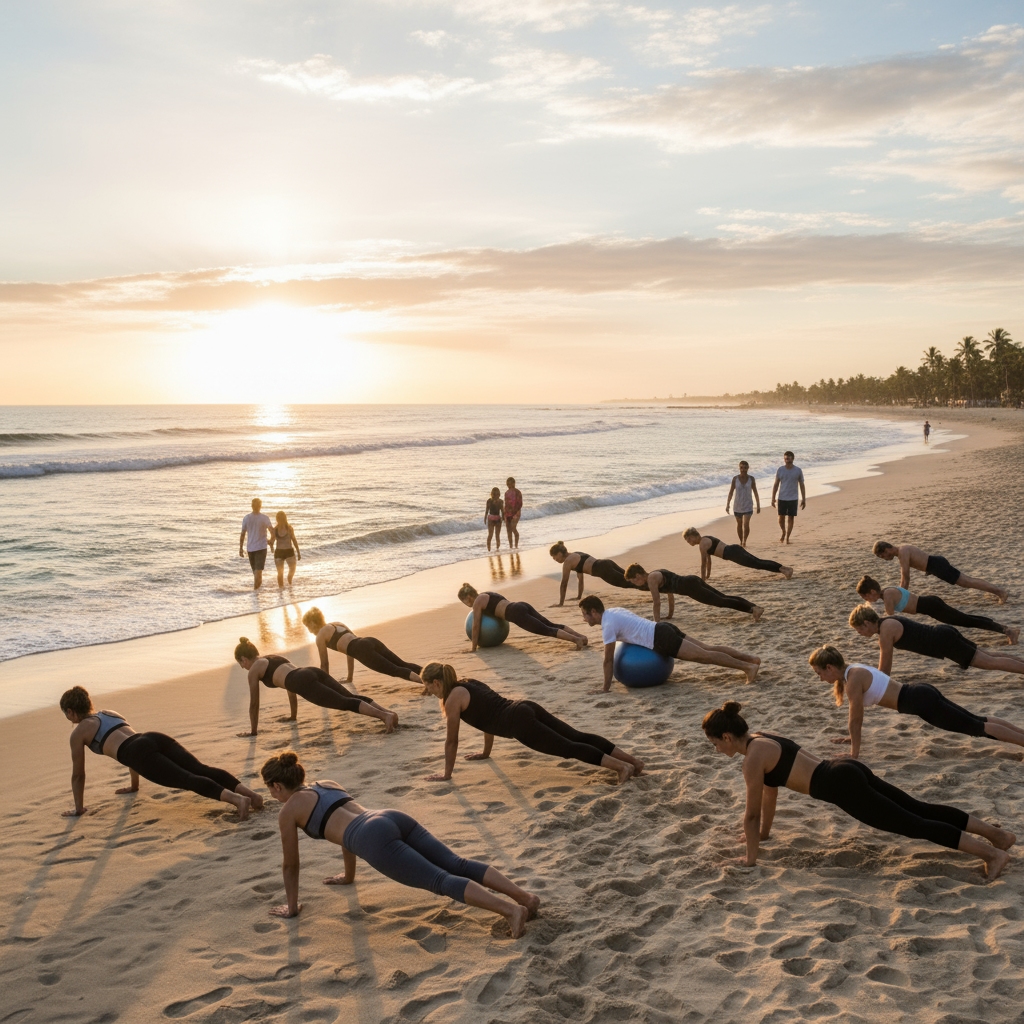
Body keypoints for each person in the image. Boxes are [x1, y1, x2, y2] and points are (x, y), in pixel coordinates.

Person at [701, 701, 1013, 878]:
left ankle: (992, 853)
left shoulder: (751, 760)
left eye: (715, 744)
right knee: (919, 807)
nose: (716, 750)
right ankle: (998, 835)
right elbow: (771, 793)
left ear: (727, 737)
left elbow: (751, 815)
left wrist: (750, 860)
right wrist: (765, 836)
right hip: (844, 768)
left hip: (839, 786)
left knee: (913, 823)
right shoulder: (761, 738)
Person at [261, 751, 539, 936]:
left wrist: (293, 907)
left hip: (372, 838)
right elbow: (340, 828)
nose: (272, 795)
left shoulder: (289, 812)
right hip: (389, 816)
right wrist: (348, 876)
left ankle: (511, 911)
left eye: (269, 790)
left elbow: (291, 864)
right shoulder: (326, 783)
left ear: (276, 786)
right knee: (457, 863)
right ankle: (524, 897)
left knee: (440, 880)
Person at [420, 662, 645, 784]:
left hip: (519, 724)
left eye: (428, 687)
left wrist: (447, 774)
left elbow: (452, 741)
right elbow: (487, 718)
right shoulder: (468, 682)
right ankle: (633, 761)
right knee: (577, 736)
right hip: (525, 706)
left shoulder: (452, 699)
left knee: (568, 748)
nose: (428, 692)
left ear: (437, 682)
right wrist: (486, 752)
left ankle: (622, 767)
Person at [59, 686, 262, 819]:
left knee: (187, 779)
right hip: (151, 737)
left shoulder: (79, 733)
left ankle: (238, 801)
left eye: (66, 714)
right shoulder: (109, 713)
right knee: (201, 768)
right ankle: (251, 795)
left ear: (70, 711)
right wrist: (134, 786)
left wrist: (79, 808)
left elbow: (78, 775)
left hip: (137, 752)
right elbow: (128, 743)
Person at [808, 645, 1024, 756]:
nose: (819, 678)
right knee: (977, 720)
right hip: (920, 694)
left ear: (830, 667)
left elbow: (855, 720)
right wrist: (852, 739)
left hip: (920, 701)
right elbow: (855, 722)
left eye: (819, 673)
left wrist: (854, 753)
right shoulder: (853, 671)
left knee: (976, 726)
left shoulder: (853, 680)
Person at [578, 596, 760, 689]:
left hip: (661, 638)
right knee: (707, 648)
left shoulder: (608, 625)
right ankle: (751, 659)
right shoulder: (614, 611)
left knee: (705, 656)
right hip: (663, 627)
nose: (584, 619)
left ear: (593, 612)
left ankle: (747, 667)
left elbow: (608, 660)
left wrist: (605, 688)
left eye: (584, 615)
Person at [233, 637, 398, 736]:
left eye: (241, 663)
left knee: (343, 702)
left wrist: (253, 731)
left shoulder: (254, 669)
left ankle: (384, 717)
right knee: (350, 697)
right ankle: (388, 713)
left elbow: (254, 703)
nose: (242, 667)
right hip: (309, 671)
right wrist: (293, 716)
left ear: (243, 659)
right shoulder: (272, 658)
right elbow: (289, 687)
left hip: (301, 681)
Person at [847, 605, 1024, 677]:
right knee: (989, 656)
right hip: (944, 634)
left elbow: (884, 670)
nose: (860, 633)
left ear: (867, 623)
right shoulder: (886, 623)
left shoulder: (886, 631)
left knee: (989, 662)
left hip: (944, 642)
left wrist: (869, 685)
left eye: (859, 629)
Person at [855, 575, 1018, 643]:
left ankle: (1008, 630)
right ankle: (1007, 630)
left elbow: (889, 618)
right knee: (967, 620)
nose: (867, 601)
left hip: (932, 606)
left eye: (865, 597)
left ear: (872, 592)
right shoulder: (886, 594)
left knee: (968, 621)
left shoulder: (888, 595)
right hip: (932, 607)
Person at [302, 607, 423, 686]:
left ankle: (427, 683)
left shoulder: (320, 636)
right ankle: (435, 674)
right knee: (402, 664)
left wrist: (327, 686)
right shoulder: (337, 623)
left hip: (362, 650)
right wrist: (350, 677)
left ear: (313, 623)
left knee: (394, 670)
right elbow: (349, 650)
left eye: (308, 626)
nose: (309, 630)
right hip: (368, 640)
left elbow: (324, 664)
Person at [458, 583, 588, 651]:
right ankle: (582, 637)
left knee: (546, 630)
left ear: (468, 597)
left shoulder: (477, 602)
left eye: (464, 601)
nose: (466, 604)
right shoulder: (486, 594)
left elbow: (475, 626)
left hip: (516, 614)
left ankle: (576, 640)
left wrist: (473, 648)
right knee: (551, 625)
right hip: (520, 605)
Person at [872, 542, 1008, 603]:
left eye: (882, 556)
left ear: (886, 549)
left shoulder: (903, 553)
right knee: (966, 581)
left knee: (967, 581)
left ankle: (1000, 592)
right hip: (935, 565)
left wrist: (900, 597)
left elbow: (905, 578)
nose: (884, 559)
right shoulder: (902, 550)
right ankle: (998, 592)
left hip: (936, 565)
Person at [624, 563, 763, 622]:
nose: (634, 584)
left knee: (721, 601)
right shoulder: (654, 575)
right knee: (723, 597)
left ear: (637, 576)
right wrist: (670, 614)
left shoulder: (652, 579)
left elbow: (656, 602)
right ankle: (755, 607)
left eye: (633, 581)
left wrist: (656, 623)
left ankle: (752, 609)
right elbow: (669, 594)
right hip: (691, 581)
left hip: (691, 587)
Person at [683, 528, 793, 580]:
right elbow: (709, 561)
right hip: (734, 550)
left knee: (758, 563)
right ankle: (785, 569)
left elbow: (703, 564)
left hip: (733, 553)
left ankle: (785, 569)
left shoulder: (703, 544)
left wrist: (702, 581)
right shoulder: (705, 539)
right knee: (758, 562)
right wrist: (707, 575)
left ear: (692, 537)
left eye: (688, 540)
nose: (689, 543)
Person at [549, 542, 633, 604]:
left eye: (554, 557)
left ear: (559, 554)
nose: (554, 559)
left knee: (628, 583)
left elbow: (564, 583)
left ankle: (646, 585)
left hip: (603, 570)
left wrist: (561, 603)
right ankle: (646, 579)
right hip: (606, 562)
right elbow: (580, 580)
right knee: (631, 577)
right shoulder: (576, 554)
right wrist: (579, 596)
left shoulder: (568, 562)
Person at [770, 451, 805, 544]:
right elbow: (776, 484)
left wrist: (804, 499)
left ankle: (787, 538)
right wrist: (773, 497)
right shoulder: (780, 470)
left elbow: (802, 484)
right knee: (781, 518)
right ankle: (783, 532)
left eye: (789, 458)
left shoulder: (798, 470)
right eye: (785, 458)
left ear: (793, 459)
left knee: (791, 518)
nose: (787, 460)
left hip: (793, 498)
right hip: (782, 497)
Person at [239, 497, 273, 590]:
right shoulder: (247, 518)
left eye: (257, 505)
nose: (256, 507)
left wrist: (271, 541)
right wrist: (240, 548)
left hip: (261, 548)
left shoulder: (263, 518)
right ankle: (257, 593)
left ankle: (255, 594)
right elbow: (242, 534)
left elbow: (272, 531)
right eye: (256, 505)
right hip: (251, 549)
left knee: (258, 573)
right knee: (256, 573)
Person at [725, 461, 760, 546]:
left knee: (746, 524)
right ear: (739, 468)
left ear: (748, 468)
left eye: (745, 468)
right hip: (738, 505)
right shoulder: (735, 479)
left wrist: (758, 505)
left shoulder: (751, 479)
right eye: (741, 468)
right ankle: (741, 541)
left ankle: (744, 540)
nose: (743, 470)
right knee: (739, 524)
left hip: (748, 505)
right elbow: (731, 492)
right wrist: (728, 504)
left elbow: (755, 492)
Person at [272, 511, 301, 587]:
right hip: (282, 552)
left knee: (289, 570)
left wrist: (298, 552)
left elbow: (294, 540)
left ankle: (288, 580)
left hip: (285, 552)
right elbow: (272, 540)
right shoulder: (276, 529)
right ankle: (282, 588)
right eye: (279, 518)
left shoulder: (288, 528)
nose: (280, 520)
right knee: (283, 572)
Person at [504, 477, 523, 549]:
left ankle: (516, 546)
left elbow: (520, 504)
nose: (509, 485)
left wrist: (515, 512)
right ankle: (511, 547)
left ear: (514, 483)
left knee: (513, 528)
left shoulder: (518, 492)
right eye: (507, 484)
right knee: (508, 530)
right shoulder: (506, 493)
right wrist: (504, 514)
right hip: (507, 513)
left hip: (516, 513)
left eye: (510, 483)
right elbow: (505, 504)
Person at [485, 487, 504, 552]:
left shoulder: (499, 501)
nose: (496, 496)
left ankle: (495, 548)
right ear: (492, 494)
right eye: (494, 494)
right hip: (493, 519)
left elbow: (502, 511)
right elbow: (487, 510)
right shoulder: (490, 501)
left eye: (497, 494)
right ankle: (490, 549)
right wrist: (485, 518)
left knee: (495, 535)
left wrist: (503, 518)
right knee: (493, 535)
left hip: (495, 519)